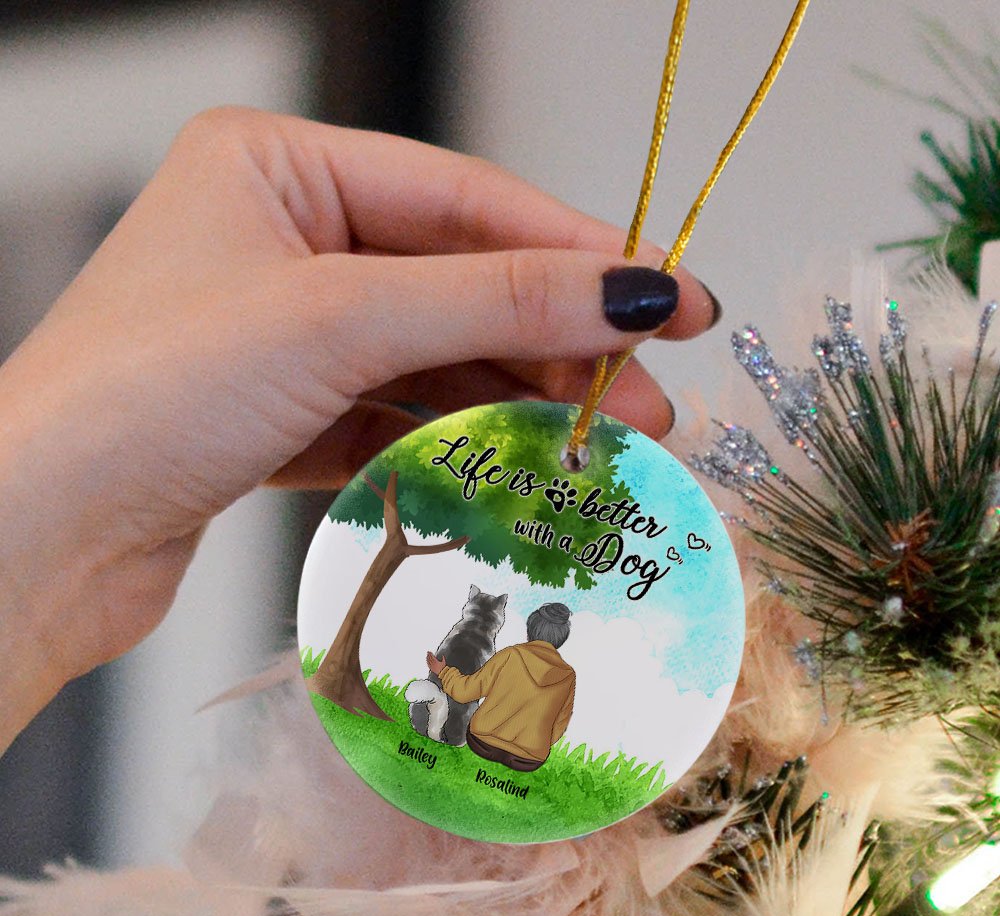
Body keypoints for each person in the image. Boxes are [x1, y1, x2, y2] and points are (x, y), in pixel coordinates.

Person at [0, 107, 721, 757]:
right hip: (527, 759)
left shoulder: (505, 655)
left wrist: (40, 543)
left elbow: (470, 690)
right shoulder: (564, 678)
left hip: (480, 739)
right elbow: (561, 727)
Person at [426, 602, 575, 772]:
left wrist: (443, 672)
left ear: (531, 629)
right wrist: (536, 744)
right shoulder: (568, 675)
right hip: (529, 759)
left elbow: (466, 691)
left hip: (483, 743)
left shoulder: (511, 654)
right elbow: (561, 722)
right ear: (562, 637)